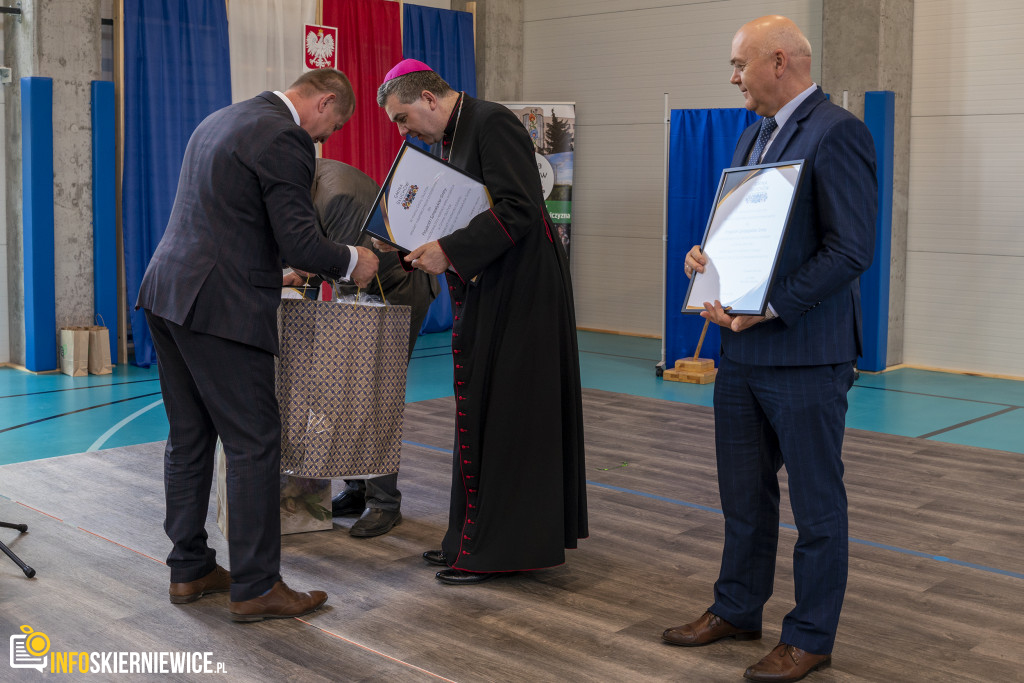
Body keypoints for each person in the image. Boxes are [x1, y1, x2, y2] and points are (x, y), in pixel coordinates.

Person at [660, 16, 876, 683]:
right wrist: (710, 256)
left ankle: (810, 635)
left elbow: (850, 250)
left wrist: (771, 305)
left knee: (816, 506)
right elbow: (755, 232)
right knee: (743, 496)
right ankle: (736, 606)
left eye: (738, 65)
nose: (732, 79)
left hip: (807, 353)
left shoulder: (840, 133)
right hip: (743, 352)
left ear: (778, 61)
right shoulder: (756, 133)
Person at [137, 69, 379, 622]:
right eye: (328, 130)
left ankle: (189, 567)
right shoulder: (285, 136)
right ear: (324, 101)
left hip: (168, 292)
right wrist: (353, 260)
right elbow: (301, 238)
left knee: (190, 437)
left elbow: (227, 218)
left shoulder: (222, 118)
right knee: (253, 442)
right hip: (219, 307)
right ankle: (256, 585)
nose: (321, 142)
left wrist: (277, 272)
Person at [374, 59, 588, 585]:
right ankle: (468, 539)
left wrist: (448, 249)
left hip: (523, 292)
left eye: (403, 118)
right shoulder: (454, 136)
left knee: (509, 413)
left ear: (428, 98)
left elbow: (519, 208)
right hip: (492, 283)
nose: (403, 132)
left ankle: (501, 549)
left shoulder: (491, 123)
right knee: (483, 411)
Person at [291, 158, 438, 537]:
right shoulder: (308, 179)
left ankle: (384, 504)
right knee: (347, 394)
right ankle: (357, 489)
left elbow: (357, 272)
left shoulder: (337, 194)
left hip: (393, 291)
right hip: (365, 294)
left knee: (374, 395)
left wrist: (307, 274)